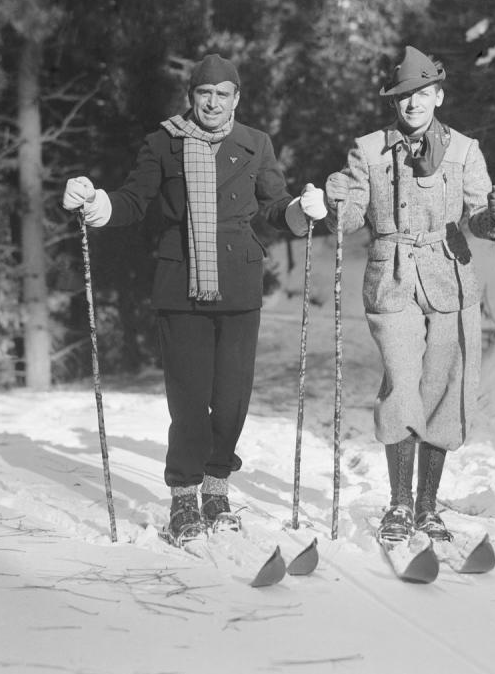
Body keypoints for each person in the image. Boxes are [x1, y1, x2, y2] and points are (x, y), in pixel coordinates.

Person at [63, 54, 326, 545]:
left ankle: (217, 489)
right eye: (204, 93)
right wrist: (97, 203)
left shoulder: (255, 144)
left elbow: (273, 205)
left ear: (236, 99)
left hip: (239, 285)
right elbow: (134, 201)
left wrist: (298, 210)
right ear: (191, 96)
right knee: (189, 403)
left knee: (231, 401)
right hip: (180, 285)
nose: (213, 102)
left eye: (223, 93)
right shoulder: (162, 143)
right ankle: (184, 496)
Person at [313, 46, 495, 544]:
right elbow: (353, 217)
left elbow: (477, 219)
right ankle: (399, 505)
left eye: (422, 95)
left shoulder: (466, 150)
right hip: (392, 278)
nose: (412, 105)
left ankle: (428, 508)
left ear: (438, 97)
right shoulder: (368, 150)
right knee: (402, 382)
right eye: (403, 97)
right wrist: (338, 202)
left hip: (452, 277)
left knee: (444, 389)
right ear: (393, 103)